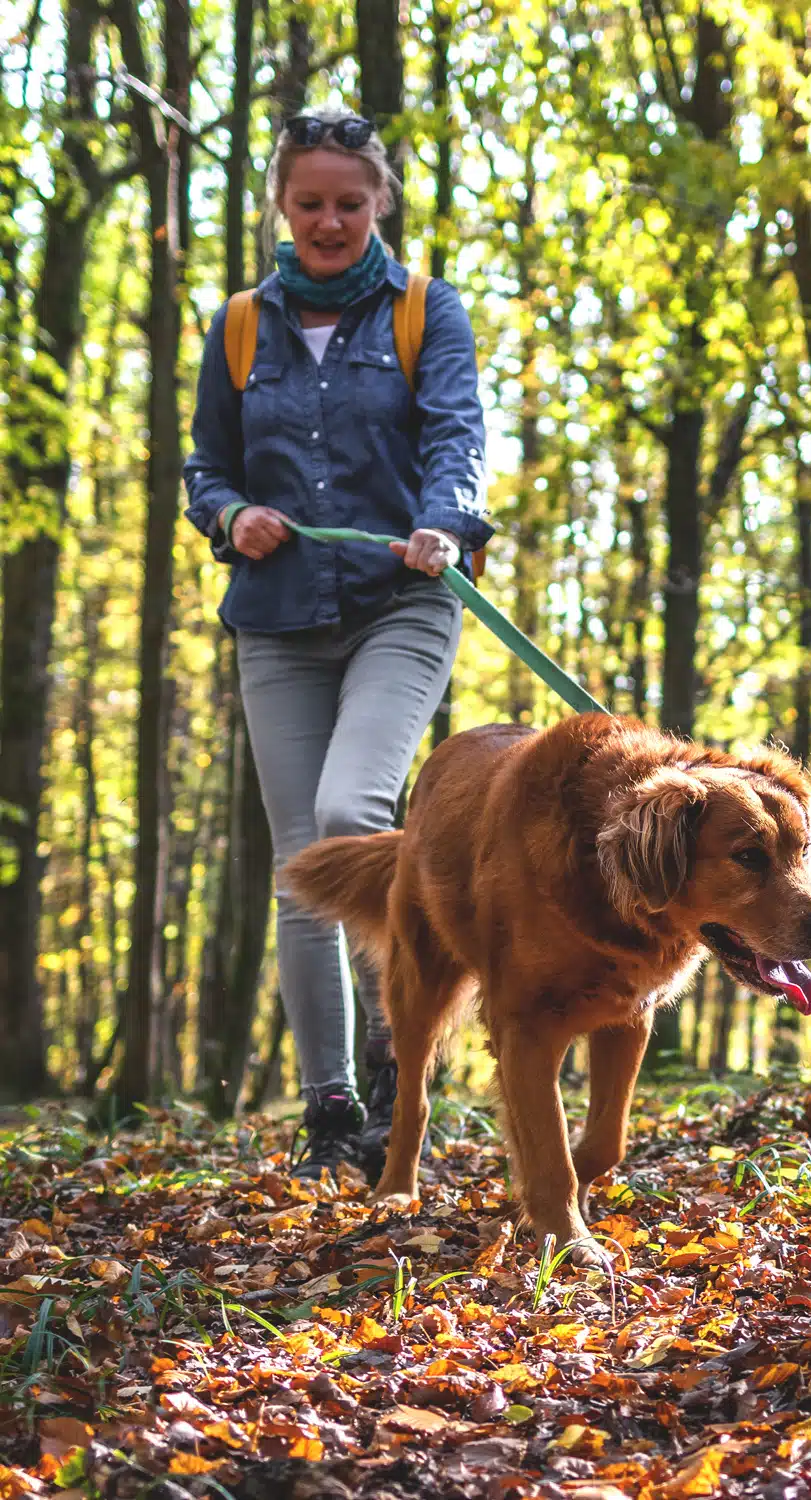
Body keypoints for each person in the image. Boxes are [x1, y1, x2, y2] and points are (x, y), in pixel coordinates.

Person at [183, 107, 493, 1181]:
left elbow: (457, 434)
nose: (328, 222)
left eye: (348, 204)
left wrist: (443, 521)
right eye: (309, 203)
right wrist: (230, 518)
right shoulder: (237, 327)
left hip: (397, 605)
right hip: (275, 619)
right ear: (282, 204)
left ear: (379, 204)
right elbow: (204, 468)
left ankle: (393, 1047)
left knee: (351, 814)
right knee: (298, 867)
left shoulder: (423, 310)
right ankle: (330, 1115)